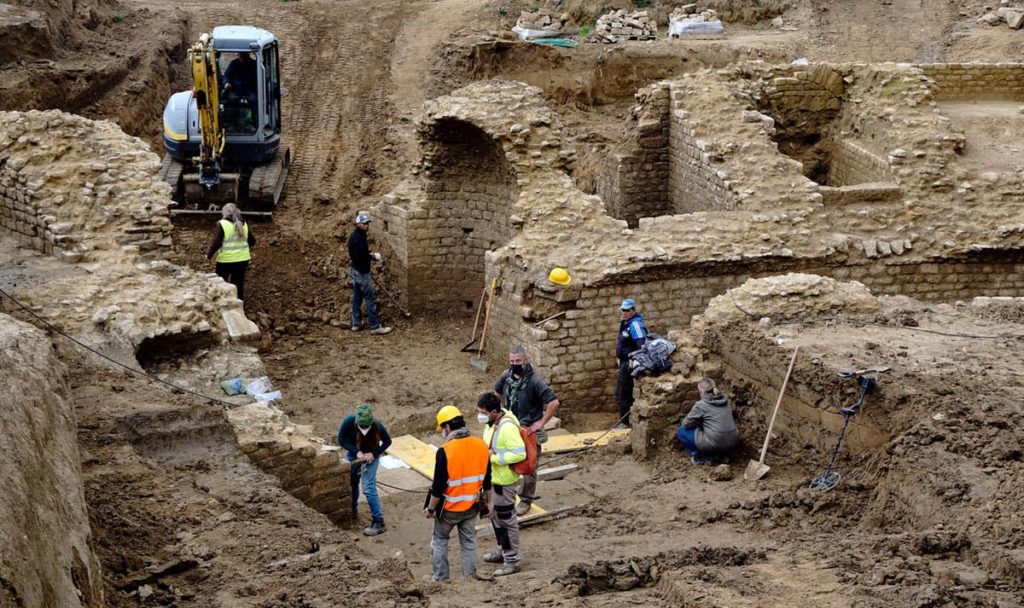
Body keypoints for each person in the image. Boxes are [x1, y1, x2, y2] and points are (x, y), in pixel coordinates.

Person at [425, 405, 492, 582]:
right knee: (468, 542)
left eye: (443, 429)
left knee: (440, 540)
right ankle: (468, 577)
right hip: (471, 506)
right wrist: (489, 505)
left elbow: (438, 487)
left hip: (449, 509)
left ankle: (441, 578)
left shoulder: (445, 451)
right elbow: (487, 480)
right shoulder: (481, 445)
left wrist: (431, 509)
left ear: (447, 427)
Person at [493, 345, 559, 516]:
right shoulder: (506, 376)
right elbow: (497, 392)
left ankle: (526, 500)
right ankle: (506, 493)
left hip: (529, 431)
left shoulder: (535, 381)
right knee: (507, 461)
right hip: (510, 428)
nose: (514, 364)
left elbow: (554, 402)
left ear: (525, 360)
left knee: (529, 467)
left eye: (518, 361)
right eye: (512, 361)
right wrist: (500, 411)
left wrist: (541, 423)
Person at [477, 392, 526, 577]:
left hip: (504, 481)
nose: (481, 415)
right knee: (495, 518)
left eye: (483, 412)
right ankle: (503, 550)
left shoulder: (507, 428)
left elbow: (520, 454)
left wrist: (495, 458)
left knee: (506, 520)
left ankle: (512, 560)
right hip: (493, 480)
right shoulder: (492, 424)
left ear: (495, 412)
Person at [337, 403, 393, 536]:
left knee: (368, 487)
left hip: (371, 457)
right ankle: (353, 510)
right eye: (361, 426)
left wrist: (373, 454)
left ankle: (379, 522)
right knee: (352, 483)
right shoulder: (349, 422)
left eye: (366, 426)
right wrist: (356, 452)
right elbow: (341, 440)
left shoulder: (377, 426)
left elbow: (387, 441)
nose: (364, 428)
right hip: (353, 455)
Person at [677, 378, 740, 465]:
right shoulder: (726, 400)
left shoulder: (701, 405)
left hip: (716, 441)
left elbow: (686, 424)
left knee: (681, 431)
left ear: (702, 392)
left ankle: (700, 456)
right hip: (733, 440)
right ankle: (723, 455)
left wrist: (698, 423)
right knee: (716, 431)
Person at [347, 212, 392, 335]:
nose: (367, 226)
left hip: (355, 271)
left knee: (357, 298)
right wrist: (372, 256)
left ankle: (356, 323)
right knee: (370, 299)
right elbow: (360, 257)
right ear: (358, 224)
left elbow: (356, 255)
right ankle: (375, 326)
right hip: (362, 273)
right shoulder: (359, 238)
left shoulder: (356, 235)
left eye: (367, 223)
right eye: (364, 223)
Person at [206, 203, 255, 301]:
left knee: (221, 284)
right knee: (238, 284)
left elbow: (217, 242)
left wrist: (209, 255)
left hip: (225, 260)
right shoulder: (244, 224)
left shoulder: (222, 224)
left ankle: (222, 305)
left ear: (224, 213)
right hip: (242, 260)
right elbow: (252, 241)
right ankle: (238, 306)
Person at [614, 298, 648, 429]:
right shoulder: (626, 322)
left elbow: (642, 345)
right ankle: (624, 420)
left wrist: (634, 362)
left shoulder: (636, 325)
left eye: (627, 310)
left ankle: (625, 422)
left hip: (630, 365)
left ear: (633, 311)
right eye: (622, 309)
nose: (624, 312)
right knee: (620, 392)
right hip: (623, 363)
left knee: (624, 393)